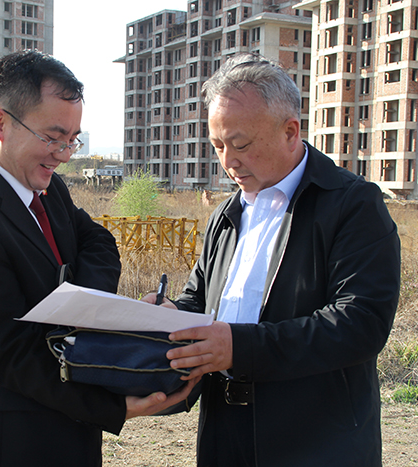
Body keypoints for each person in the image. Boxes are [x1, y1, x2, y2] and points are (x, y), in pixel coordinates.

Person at [0, 50, 195, 467]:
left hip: (73, 433)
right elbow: (14, 356)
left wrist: (84, 309)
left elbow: (99, 242)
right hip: (16, 443)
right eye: (53, 137)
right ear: (0, 124)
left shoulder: (46, 188)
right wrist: (115, 406)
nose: (65, 154)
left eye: (72, 139)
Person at [144, 53, 400, 466]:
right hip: (224, 434)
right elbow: (200, 300)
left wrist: (240, 348)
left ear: (290, 131)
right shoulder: (226, 214)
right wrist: (170, 315)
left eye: (241, 144)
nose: (228, 161)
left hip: (317, 442)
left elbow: (360, 324)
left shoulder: (352, 205)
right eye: (217, 146)